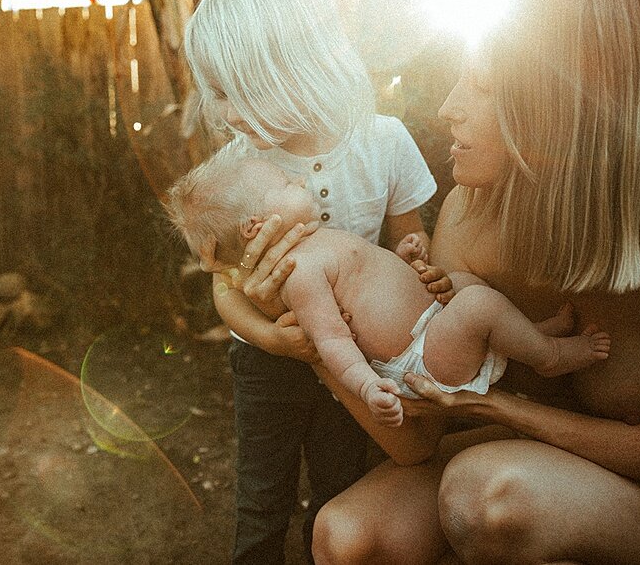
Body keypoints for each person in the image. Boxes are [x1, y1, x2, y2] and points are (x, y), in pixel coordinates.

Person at [248, 0, 640, 563]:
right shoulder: (467, 215)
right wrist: (314, 328)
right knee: (348, 536)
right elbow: (416, 442)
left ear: (558, 101)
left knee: (488, 499)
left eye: (482, 86)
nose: (448, 109)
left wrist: (502, 409)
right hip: (531, 462)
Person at [180, 0, 443, 564]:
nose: (222, 114)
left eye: (231, 92)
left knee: (339, 489)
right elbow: (224, 288)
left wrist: (416, 258)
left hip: (360, 358)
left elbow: (410, 244)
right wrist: (272, 339)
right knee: (261, 499)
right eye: (213, 93)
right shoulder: (234, 172)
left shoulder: (383, 143)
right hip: (268, 365)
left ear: (291, 67)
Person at [165, 152, 612, 427]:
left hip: (429, 328)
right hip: (420, 357)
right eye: (285, 185)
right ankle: (551, 357)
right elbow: (333, 339)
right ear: (255, 226)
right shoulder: (298, 274)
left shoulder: (315, 244)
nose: (299, 181)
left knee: (464, 286)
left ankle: (530, 331)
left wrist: (404, 256)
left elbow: (372, 288)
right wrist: (366, 388)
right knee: (477, 304)